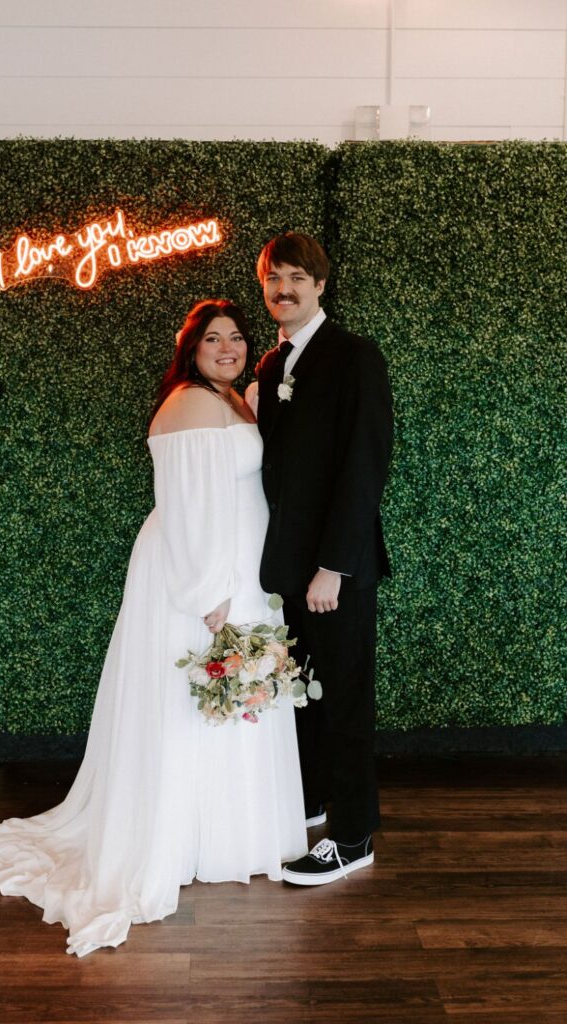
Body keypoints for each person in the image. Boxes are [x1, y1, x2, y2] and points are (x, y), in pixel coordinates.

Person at [0, 299, 307, 955]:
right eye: (212, 338)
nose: (227, 346)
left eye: (237, 337)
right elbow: (185, 507)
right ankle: (185, 838)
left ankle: (228, 834)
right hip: (201, 583)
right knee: (190, 708)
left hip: (235, 575)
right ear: (189, 349)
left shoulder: (228, 399)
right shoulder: (189, 404)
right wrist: (208, 601)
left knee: (221, 709)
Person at [250, 233, 393, 885]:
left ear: (319, 285)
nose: (284, 289)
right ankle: (310, 806)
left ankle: (353, 835)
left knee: (343, 701)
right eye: (273, 278)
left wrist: (332, 567)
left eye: (296, 277)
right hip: (288, 572)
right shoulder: (268, 366)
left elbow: (363, 466)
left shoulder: (353, 356)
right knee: (302, 698)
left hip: (335, 572)